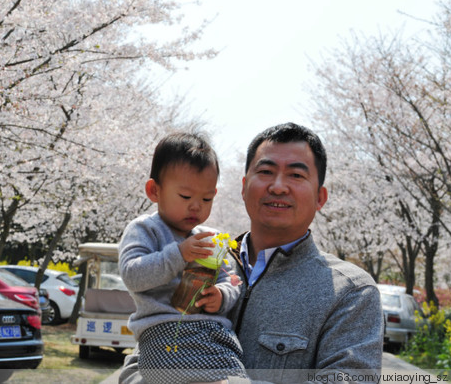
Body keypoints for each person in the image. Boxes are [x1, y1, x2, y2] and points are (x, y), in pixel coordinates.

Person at [119, 122, 384, 383]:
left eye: (296, 175)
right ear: (244, 187)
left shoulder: (350, 291)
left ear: (320, 198)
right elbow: (139, 363)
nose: (278, 186)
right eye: (266, 171)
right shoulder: (206, 254)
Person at [119, 132, 247, 384]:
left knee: (235, 377)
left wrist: (221, 295)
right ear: (154, 190)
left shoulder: (210, 238)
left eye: (207, 198)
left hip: (214, 335)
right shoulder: (146, 229)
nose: (196, 206)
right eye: (186, 197)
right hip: (163, 332)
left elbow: (231, 280)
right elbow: (132, 275)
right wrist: (178, 254)